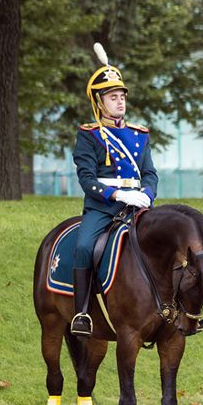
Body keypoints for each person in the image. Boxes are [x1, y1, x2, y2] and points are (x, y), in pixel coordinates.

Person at [70, 44, 158, 337]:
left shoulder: (139, 134)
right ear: (99, 101)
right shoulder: (88, 135)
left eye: (121, 96)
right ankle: (82, 312)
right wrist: (117, 195)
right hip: (103, 207)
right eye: (112, 97)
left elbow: (150, 173)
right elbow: (86, 179)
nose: (120, 102)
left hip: (138, 205)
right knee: (83, 247)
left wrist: (147, 194)